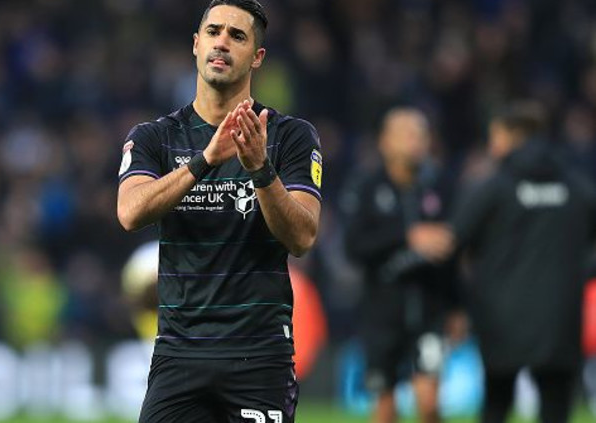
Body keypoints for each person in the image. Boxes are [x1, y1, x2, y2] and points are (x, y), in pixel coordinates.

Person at [116, 1, 323, 422]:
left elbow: (302, 237)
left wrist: (260, 170)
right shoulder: (156, 137)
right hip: (179, 354)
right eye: (213, 32)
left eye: (237, 35)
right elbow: (130, 212)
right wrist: (204, 161)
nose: (222, 42)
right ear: (196, 44)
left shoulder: (290, 136)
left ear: (257, 57)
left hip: (259, 355)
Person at [428, 102, 596, 423]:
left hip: (500, 317)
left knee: (496, 403)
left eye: (495, 137)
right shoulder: (577, 187)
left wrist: (456, 303)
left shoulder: (493, 188)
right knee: (556, 407)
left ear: (509, 138)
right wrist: (581, 274)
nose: (492, 146)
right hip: (559, 316)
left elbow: (450, 245)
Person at [342, 108, 458, 423]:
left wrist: (457, 307)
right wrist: (407, 236)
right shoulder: (366, 187)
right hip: (381, 316)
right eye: (406, 134)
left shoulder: (441, 186)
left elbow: (456, 249)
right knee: (385, 408)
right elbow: (354, 247)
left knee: (429, 403)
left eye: (421, 134)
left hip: (430, 311)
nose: (415, 142)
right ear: (385, 142)